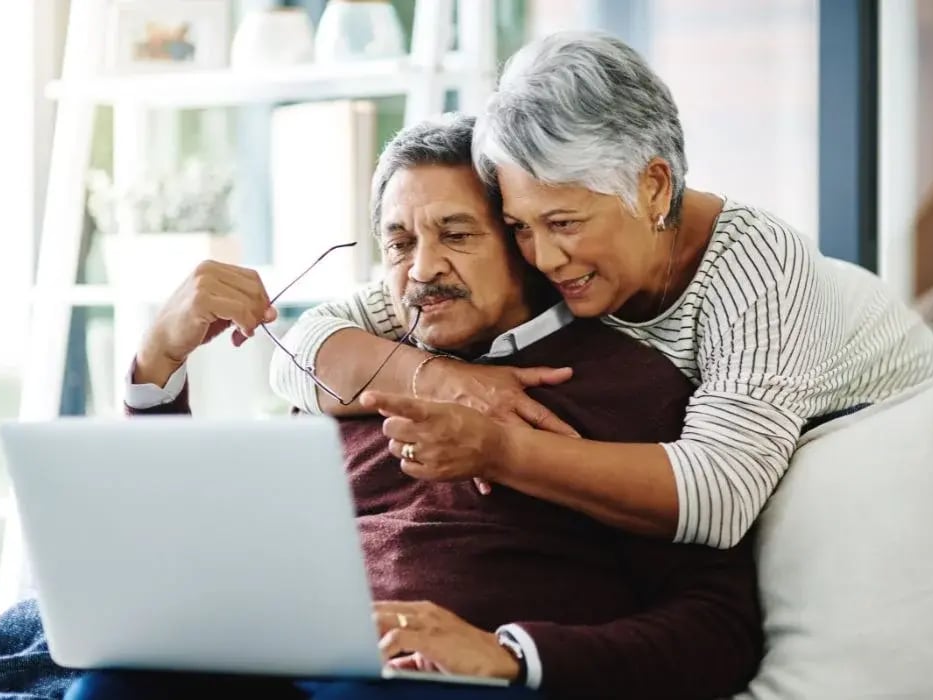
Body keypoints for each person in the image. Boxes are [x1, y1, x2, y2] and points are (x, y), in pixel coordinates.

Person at [54, 115, 762, 700]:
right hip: (291, 663)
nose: (421, 270)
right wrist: (156, 368)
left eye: (456, 236)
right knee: (112, 686)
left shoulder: (630, 390)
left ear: (524, 246)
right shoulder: (351, 370)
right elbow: (198, 553)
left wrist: (512, 654)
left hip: (442, 684)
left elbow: (720, 628)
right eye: (399, 242)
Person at [270, 31, 933, 550]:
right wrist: (443, 379)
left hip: (895, 422)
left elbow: (721, 497)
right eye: (519, 227)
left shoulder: (757, 265)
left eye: (563, 223)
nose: (543, 255)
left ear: (652, 186)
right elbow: (301, 349)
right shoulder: (545, 246)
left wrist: (500, 450)